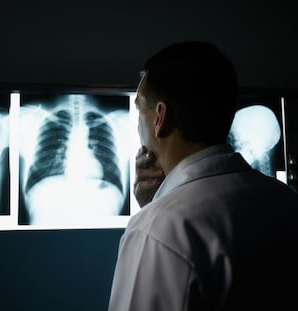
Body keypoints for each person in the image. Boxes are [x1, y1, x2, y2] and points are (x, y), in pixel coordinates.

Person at [108, 41, 298, 311]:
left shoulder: (157, 231)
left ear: (160, 117)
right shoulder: (286, 200)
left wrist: (156, 212)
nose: (137, 121)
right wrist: (159, 202)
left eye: (139, 108)